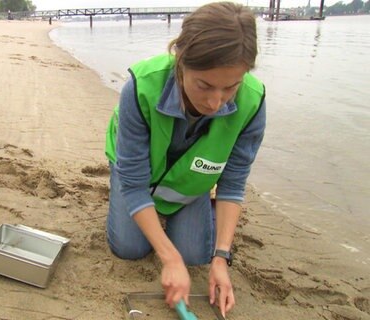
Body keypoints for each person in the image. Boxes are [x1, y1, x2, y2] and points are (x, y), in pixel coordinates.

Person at [104, 2, 266, 317]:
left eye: (230, 87)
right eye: (204, 85)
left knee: (196, 255)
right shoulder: (141, 88)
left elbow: (232, 185)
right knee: (129, 249)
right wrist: (169, 258)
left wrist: (221, 257)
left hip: (190, 182)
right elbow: (135, 183)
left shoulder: (253, 102)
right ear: (181, 60)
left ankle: (190, 209)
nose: (216, 102)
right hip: (136, 176)